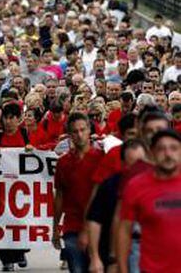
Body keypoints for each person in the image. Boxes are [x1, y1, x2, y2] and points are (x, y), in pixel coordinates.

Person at [118, 129, 181, 272]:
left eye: (174, 148)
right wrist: (122, 268)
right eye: (161, 149)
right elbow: (124, 230)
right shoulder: (136, 186)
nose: (168, 154)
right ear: (151, 153)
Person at [52, 112, 104, 272]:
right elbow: (59, 196)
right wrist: (55, 228)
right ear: (69, 135)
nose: (80, 135)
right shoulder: (63, 163)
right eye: (75, 131)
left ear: (89, 130)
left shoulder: (102, 158)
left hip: (98, 226)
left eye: (83, 130)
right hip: (72, 226)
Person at [87, 139, 147, 271]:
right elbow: (94, 221)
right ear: (123, 164)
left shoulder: (160, 186)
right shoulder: (109, 185)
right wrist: (95, 257)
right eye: (131, 165)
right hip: (114, 256)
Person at [0, 102, 33, 271]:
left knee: (21, 221)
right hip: (1, 187)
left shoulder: (24, 134)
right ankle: (6, 259)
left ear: (18, 119)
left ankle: (21, 251)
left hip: (21, 188)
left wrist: (31, 148)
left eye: (11, 118)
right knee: (2, 222)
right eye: (5, 118)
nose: (8, 122)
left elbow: (39, 153)